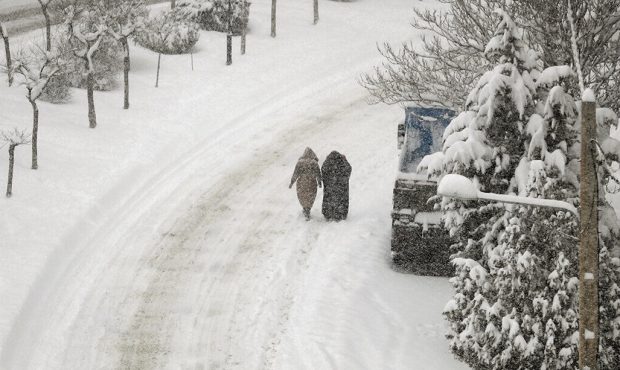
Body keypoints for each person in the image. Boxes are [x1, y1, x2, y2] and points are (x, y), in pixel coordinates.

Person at [289, 147, 322, 220]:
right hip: (311, 182)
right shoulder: (314, 163)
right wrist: (319, 183)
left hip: (302, 182)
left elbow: (295, 173)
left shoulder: (300, 162)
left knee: (303, 196)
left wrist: (292, 182)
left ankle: (305, 208)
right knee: (310, 196)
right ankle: (308, 209)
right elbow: (318, 174)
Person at [321, 151, 352, 221]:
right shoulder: (342, 162)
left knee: (329, 198)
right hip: (341, 186)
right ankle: (340, 214)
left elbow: (323, 171)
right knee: (341, 199)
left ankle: (328, 214)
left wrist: (327, 181)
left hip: (330, 185)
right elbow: (349, 169)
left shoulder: (327, 162)